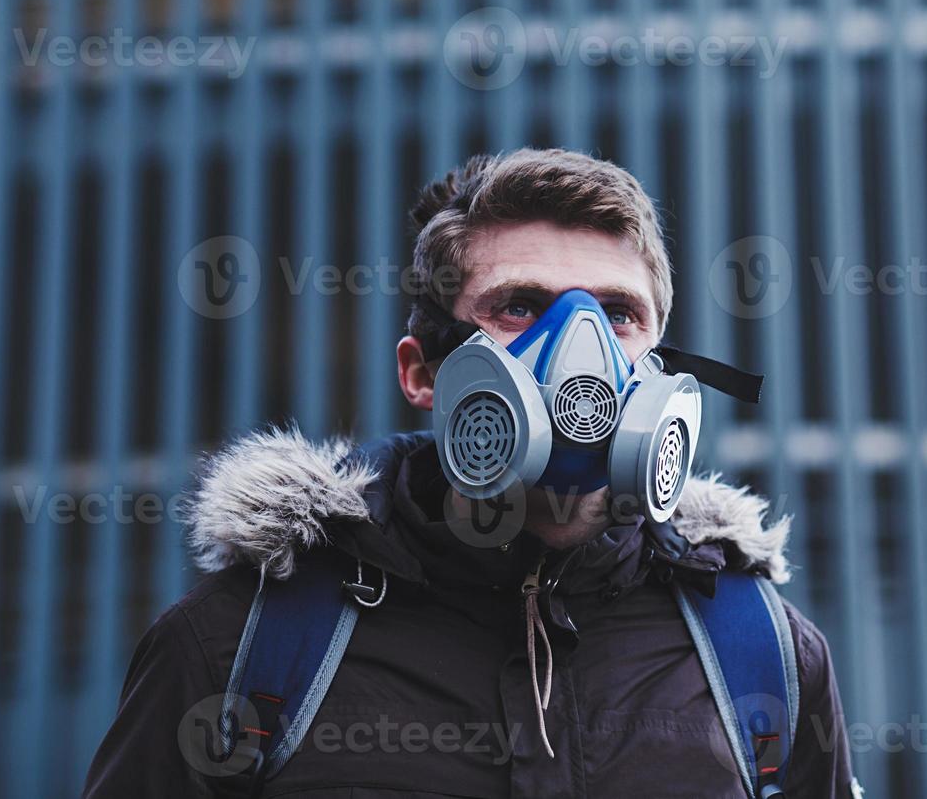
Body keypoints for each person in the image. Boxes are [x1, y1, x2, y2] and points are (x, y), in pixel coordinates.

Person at [83, 148, 859, 798]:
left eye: (618, 314)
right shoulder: (246, 645)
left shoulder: (762, 655)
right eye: (522, 306)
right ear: (424, 373)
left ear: (659, 359)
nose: (577, 350)